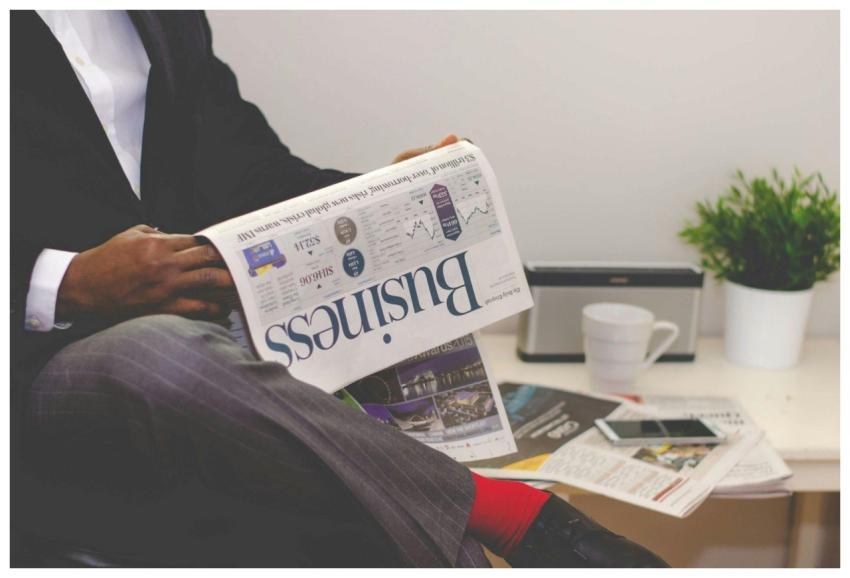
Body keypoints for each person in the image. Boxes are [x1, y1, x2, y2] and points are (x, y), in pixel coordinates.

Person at [10, 10, 669, 568]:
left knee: (381, 514)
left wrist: (385, 196)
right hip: (41, 369)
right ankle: (526, 520)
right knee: (158, 353)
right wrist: (66, 284)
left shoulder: (164, 16)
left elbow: (251, 176)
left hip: (220, 364)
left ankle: (507, 525)